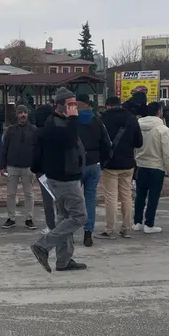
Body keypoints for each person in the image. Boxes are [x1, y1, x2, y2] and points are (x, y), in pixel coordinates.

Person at [29, 87, 87, 273]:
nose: (74, 109)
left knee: (64, 218)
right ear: (59, 106)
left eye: (75, 105)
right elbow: (69, 141)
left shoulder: (62, 122)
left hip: (65, 176)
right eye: (70, 105)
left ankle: (63, 260)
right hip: (64, 179)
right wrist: (73, 118)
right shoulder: (56, 124)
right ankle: (42, 246)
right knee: (79, 216)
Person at [99, 96, 143, 239]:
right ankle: (126, 229)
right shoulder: (131, 118)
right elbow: (139, 142)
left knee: (111, 197)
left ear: (107, 106)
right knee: (126, 196)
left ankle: (110, 230)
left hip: (110, 163)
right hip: (128, 162)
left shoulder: (103, 119)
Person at [134, 102, 169, 235]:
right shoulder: (163, 129)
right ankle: (149, 224)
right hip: (156, 166)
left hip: (140, 165)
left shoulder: (138, 125)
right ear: (159, 111)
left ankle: (137, 222)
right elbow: (167, 152)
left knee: (139, 195)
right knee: (153, 197)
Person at [77, 94, 111, 246]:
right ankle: (88, 233)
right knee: (90, 199)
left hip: (75, 165)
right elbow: (106, 144)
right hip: (94, 164)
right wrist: (101, 161)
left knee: (72, 200)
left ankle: (68, 232)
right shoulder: (98, 122)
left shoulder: (71, 121)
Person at [0, 105, 37, 230]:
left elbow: (38, 149)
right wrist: (2, 166)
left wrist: (37, 165)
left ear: (28, 114)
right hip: (12, 166)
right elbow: (4, 148)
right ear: (16, 115)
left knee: (29, 194)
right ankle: (11, 218)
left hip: (28, 167)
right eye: (20, 113)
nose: (23, 115)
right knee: (10, 194)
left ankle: (29, 218)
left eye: (25, 113)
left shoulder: (33, 130)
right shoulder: (10, 130)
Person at [31, 104, 57, 233]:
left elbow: (36, 154)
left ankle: (51, 226)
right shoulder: (58, 129)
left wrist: (34, 168)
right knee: (60, 200)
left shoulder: (39, 133)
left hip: (43, 171)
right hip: (59, 169)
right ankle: (64, 225)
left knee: (48, 201)